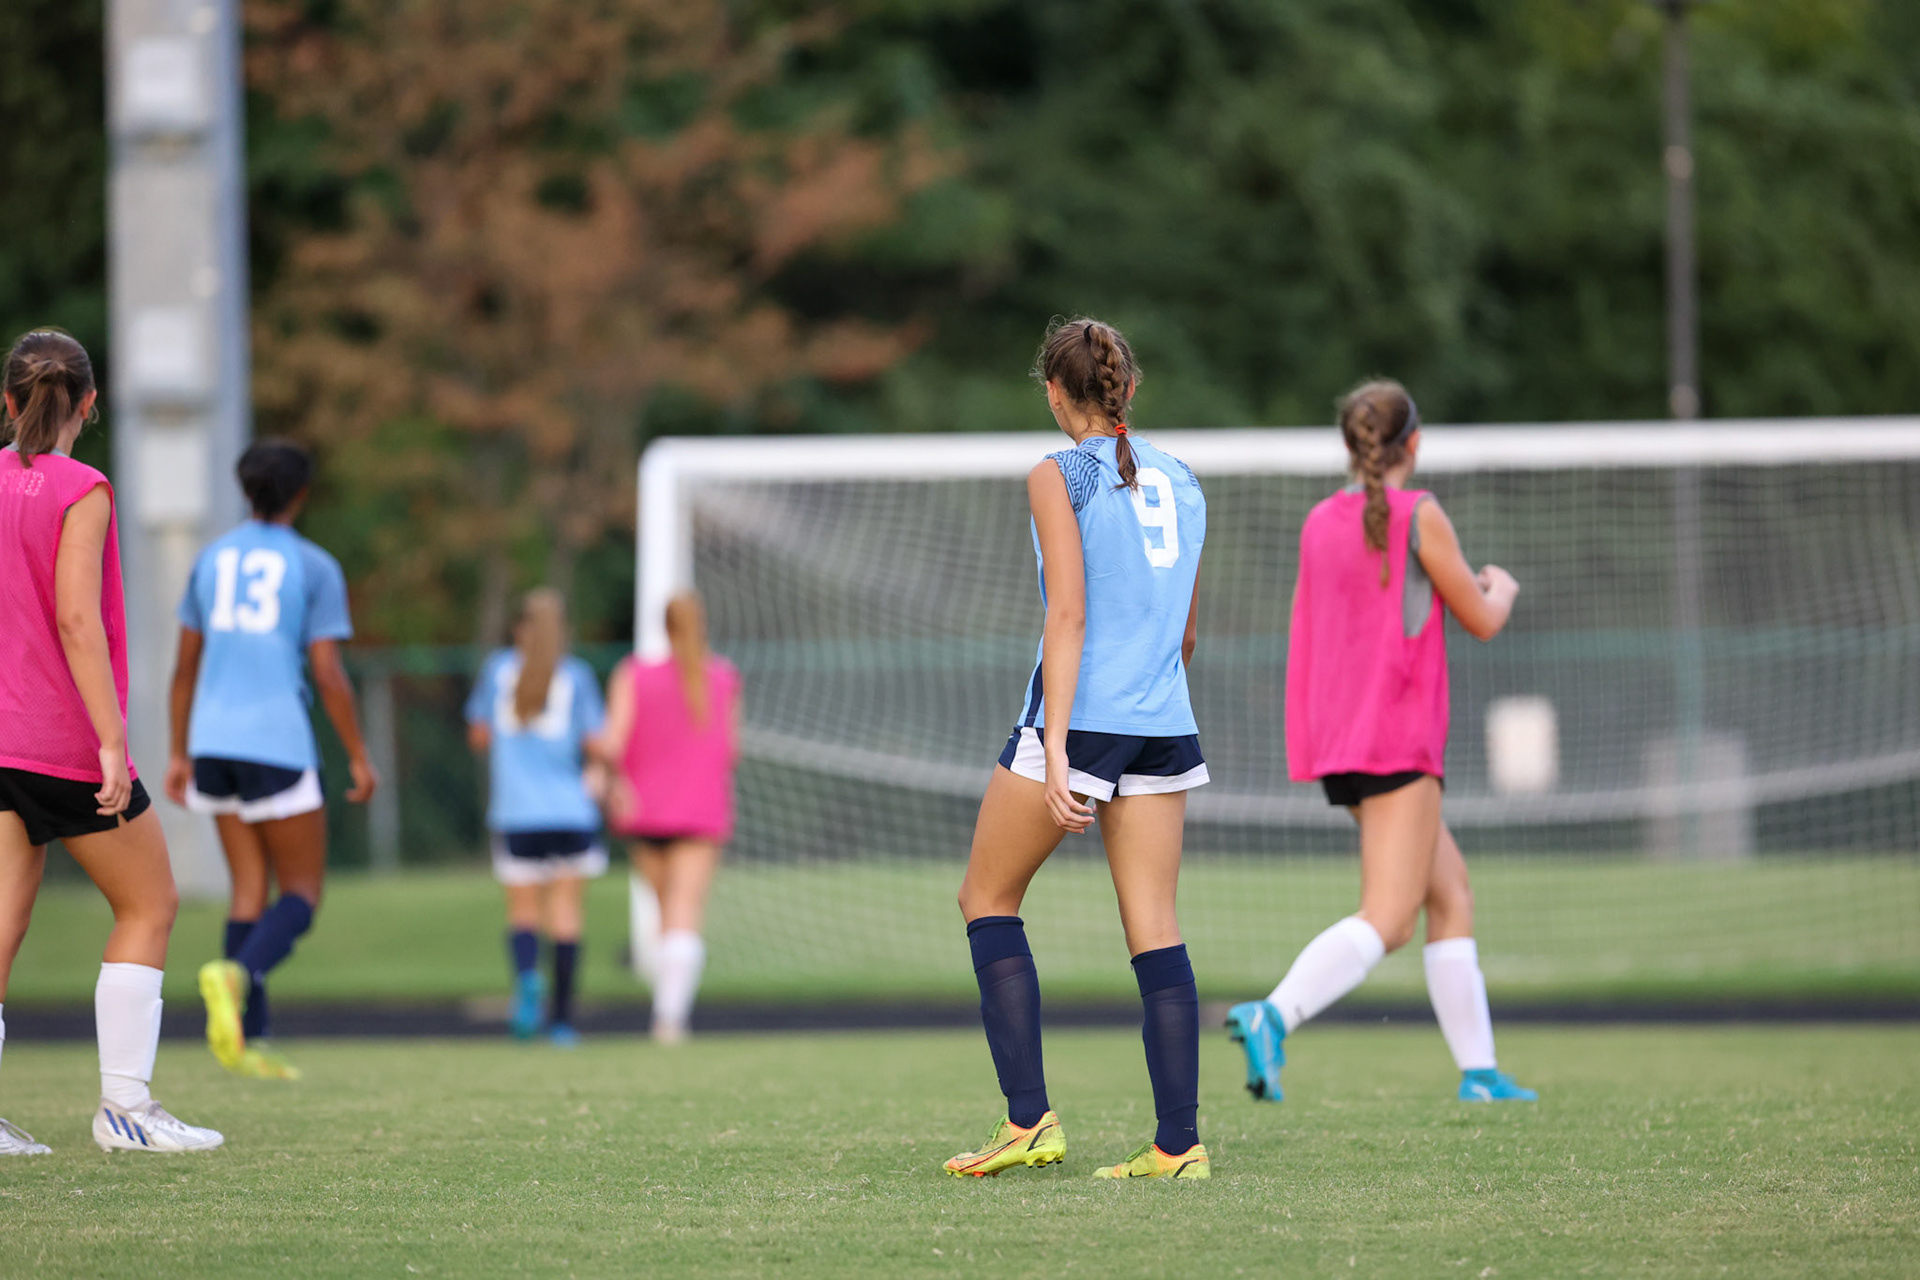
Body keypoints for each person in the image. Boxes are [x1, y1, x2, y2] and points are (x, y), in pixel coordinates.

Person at [944, 317, 1210, 1182]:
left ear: (1056, 393)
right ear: (1128, 388)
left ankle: (1029, 1122)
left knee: (986, 897)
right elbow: (1186, 636)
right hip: (1164, 720)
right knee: (1155, 929)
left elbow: (1067, 615)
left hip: (1083, 717)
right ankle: (1178, 1146)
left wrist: (1057, 749)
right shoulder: (1185, 479)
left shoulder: (1058, 473)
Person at [1226, 378, 1538, 1104]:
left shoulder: (1319, 520)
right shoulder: (1419, 513)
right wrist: (1502, 587)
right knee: (1390, 918)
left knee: (1449, 893)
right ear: (1414, 444)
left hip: (1341, 743)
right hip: (1396, 741)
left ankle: (1480, 1074)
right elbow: (1482, 617)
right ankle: (1274, 1015)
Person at [0, 329, 223, 1153]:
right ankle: (125, 1109)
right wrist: (108, 739)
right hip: (58, 738)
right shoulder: (83, 488)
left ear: (8, 401)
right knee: (149, 903)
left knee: (2, 923)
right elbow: (75, 619)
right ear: (90, 404)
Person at [165, 439, 376, 1080]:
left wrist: (177, 751)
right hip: (276, 742)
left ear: (245, 490)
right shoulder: (314, 566)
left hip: (212, 743)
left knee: (249, 890)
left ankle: (247, 1039)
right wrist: (358, 756)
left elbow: (185, 666)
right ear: (301, 495)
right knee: (303, 894)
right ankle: (236, 975)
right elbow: (329, 674)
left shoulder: (211, 559)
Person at [465, 589, 607, 1046]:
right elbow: (596, 742)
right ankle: (562, 1022)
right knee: (565, 914)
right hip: (570, 811)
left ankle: (528, 978)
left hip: (517, 812)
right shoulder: (576, 675)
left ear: (518, 628)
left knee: (523, 913)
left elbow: (479, 736)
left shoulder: (497, 670)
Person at [598, 592, 739, 1044]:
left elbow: (612, 742)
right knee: (684, 911)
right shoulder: (722, 677)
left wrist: (612, 781)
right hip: (699, 810)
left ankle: (668, 1011)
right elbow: (731, 750)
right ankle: (670, 1019)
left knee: (666, 911)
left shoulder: (632, 674)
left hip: (644, 810)